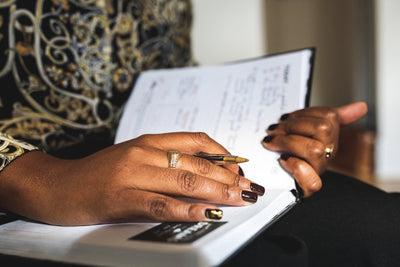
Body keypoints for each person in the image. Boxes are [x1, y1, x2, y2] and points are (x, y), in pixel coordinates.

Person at [0, 1, 399, 266]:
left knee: (380, 228)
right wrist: (40, 179)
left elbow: (168, 67)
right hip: (30, 178)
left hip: (157, 155)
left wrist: (275, 138)